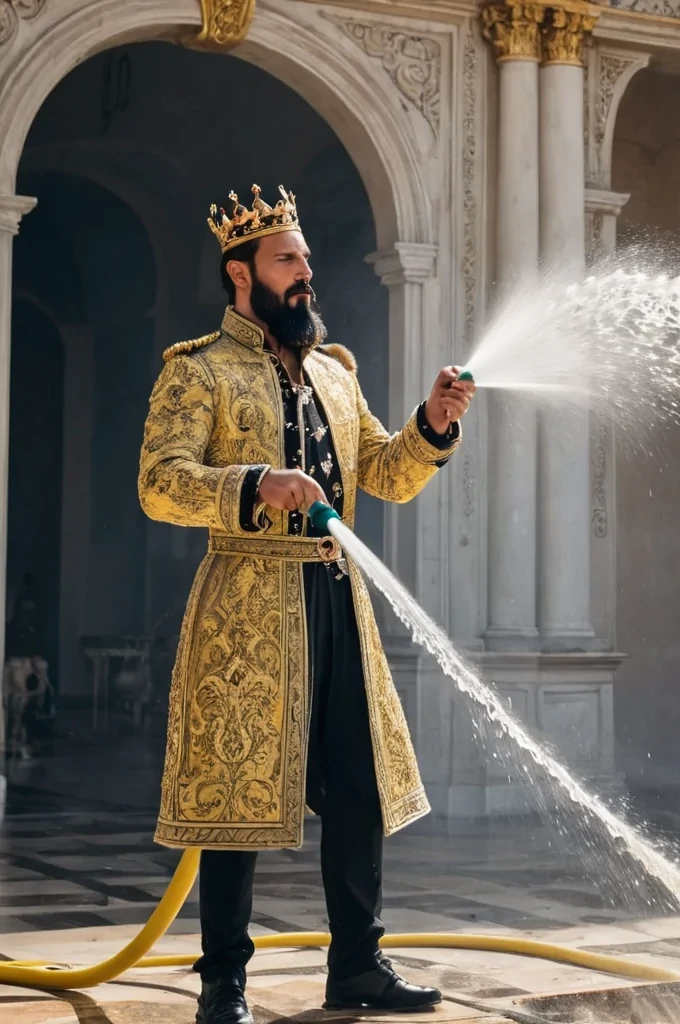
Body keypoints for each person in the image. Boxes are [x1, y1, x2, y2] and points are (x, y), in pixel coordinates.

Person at [138, 184, 475, 1024]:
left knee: (358, 788)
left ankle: (357, 967)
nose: (306, 276)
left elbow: (386, 476)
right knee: (236, 797)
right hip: (245, 604)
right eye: (289, 261)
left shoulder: (334, 372)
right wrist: (257, 485)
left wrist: (431, 426)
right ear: (241, 274)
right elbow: (160, 484)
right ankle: (224, 984)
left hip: (335, 598)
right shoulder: (198, 371)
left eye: (307, 261)